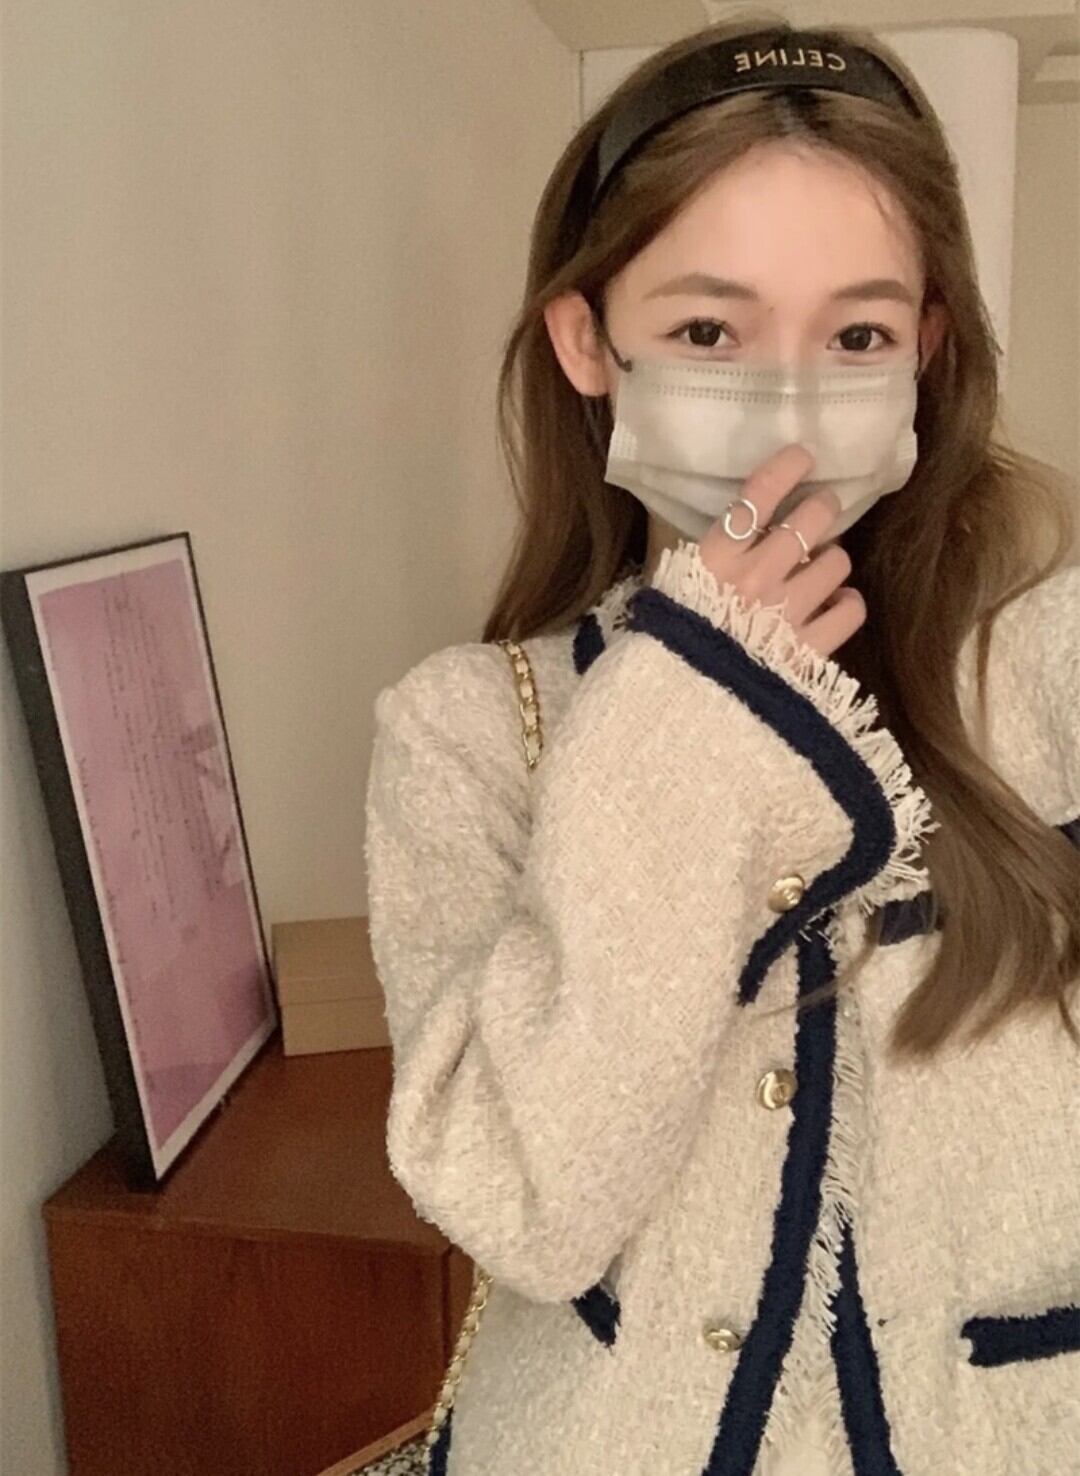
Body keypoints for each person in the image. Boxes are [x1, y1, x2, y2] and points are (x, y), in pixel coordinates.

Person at [363, 14, 1080, 1475]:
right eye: (707, 332)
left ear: (928, 348)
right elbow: (522, 1205)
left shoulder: (1049, 659)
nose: (791, 404)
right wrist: (685, 716)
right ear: (588, 340)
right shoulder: (463, 730)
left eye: (859, 334)